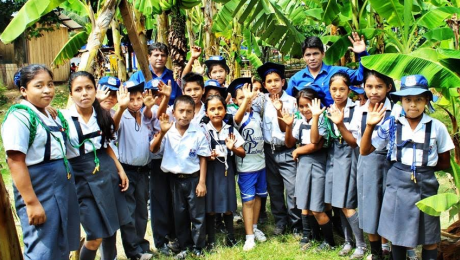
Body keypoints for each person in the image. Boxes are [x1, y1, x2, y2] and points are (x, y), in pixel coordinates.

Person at [360, 75, 454, 260]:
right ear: (401, 101)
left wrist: (422, 171)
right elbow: (365, 150)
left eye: (418, 99)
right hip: (397, 185)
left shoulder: (437, 127)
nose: (413, 105)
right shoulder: (391, 125)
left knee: (429, 234)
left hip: (426, 185)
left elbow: (444, 161)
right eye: (407, 99)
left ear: (427, 100)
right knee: (397, 233)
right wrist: (370, 126)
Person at [2, 64, 80, 260]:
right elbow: (15, 161)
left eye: (50, 84)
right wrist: (31, 202)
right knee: (42, 247)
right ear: (24, 90)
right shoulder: (19, 116)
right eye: (39, 85)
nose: (47, 90)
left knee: (59, 240)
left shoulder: (47, 113)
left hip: (60, 185)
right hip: (40, 187)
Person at [62, 71, 131, 260]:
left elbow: (106, 145)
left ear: (95, 91)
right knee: (94, 237)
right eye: (78, 89)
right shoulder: (63, 119)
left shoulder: (101, 116)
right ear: (71, 94)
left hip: (106, 172)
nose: (84, 93)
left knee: (111, 225)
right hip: (81, 179)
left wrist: (120, 169)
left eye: (88, 88)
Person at [330, 70, 398, 259]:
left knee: (390, 206)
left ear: (388, 88)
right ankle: (376, 251)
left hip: (393, 165)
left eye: (379, 86)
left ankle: (396, 248)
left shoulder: (398, 111)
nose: (374, 91)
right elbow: (354, 142)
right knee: (369, 206)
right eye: (369, 87)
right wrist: (340, 125)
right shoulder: (360, 111)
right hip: (367, 161)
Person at [310, 72, 366, 259]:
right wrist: (317, 117)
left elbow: (354, 142)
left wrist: (340, 124)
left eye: (342, 89)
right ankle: (348, 242)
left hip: (349, 156)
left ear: (349, 90)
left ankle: (361, 244)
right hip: (333, 156)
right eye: (334, 89)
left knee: (347, 203)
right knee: (337, 202)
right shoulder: (327, 110)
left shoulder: (357, 109)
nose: (338, 93)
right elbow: (316, 139)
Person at [150, 95, 211, 259]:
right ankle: (185, 246)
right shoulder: (167, 130)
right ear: (173, 112)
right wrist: (162, 133)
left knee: (197, 215)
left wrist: (202, 182)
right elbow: (154, 150)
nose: (184, 115)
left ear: (193, 114)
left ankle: (198, 247)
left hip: (193, 179)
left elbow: (203, 157)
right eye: (181, 111)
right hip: (174, 181)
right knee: (179, 214)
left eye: (188, 112)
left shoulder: (198, 132)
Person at [117, 79, 170, 259]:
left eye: (139, 98)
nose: (135, 102)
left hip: (143, 170)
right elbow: (111, 128)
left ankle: (142, 245)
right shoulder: (121, 116)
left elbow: (154, 115)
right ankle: (133, 251)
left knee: (141, 211)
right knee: (129, 212)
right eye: (131, 99)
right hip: (127, 171)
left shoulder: (145, 116)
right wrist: (121, 108)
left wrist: (160, 100)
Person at [279, 89, 335, 251]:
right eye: (301, 106)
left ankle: (329, 242)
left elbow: (315, 142)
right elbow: (289, 143)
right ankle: (313, 236)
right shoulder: (299, 119)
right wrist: (289, 126)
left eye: (308, 105)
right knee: (305, 202)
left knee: (317, 206)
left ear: (317, 103)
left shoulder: (323, 119)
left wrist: (298, 151)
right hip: (304, 164)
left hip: (317, 163)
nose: (305, 109)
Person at [253, 62, 302, 236]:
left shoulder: (292, 102)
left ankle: (296, 223)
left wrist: (280, 110)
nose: (273, 84)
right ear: (264, 85)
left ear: (283, 81)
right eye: (269, 81)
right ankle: (280, 221)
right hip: (268, 151)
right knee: (274, 189)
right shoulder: (261, 101)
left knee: (293, 189)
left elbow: (288, 129)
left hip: (287, 150)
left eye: (276, 80)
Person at [228, 78, 268, 251]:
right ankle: (249, 236)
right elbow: (236, 119)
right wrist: (246, 100)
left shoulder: (257, 113)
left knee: (259, 197)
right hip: (246, 168)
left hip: (261, 164)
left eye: (249, 98)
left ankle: (255, 226)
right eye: (242, 98)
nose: (247, 100)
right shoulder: (235, 115)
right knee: (248, 201)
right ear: (236, 101)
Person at [203, 95, 245, 249]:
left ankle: (231, 238)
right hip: (210, 172)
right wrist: (209, 156)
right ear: (206, 112)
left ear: (225, 110)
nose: (216, 112)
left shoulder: (230, 130)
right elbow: (199, 155)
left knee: (228, 206)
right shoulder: (204, 131)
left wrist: (232, 147)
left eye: (219, 108)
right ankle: (212, 241)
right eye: (212, 109)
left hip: (226, 172)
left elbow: (242, 152)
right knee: (211, 207)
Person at [287, 32, 368, 106]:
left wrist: (362, 53)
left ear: (323, 54)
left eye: (315, 54)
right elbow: (287, 101)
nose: (312, 58)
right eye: (308, 55)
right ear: (303, 57)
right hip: (309, 120)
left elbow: (360, 77)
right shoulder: (296, 79)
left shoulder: (338, 72)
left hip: (338, 119)